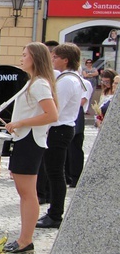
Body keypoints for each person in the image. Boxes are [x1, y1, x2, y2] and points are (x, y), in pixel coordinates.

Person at [4, 42, 58, 253]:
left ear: (35, 58)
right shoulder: (34, 82)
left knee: (28, 193)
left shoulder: (39, 84)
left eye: (25, 55)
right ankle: (24, 238)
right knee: (24, 192)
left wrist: (20, 123)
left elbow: (52, 115)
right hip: (24, 140)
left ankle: (26, 240)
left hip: (30, 141)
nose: (21, 58)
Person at [35, 43, 85, 230]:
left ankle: (55, 214)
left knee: (55, 173)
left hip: (59, 129)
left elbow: (56, 109)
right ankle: (54, 211)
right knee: (54, 172)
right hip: (61, 128)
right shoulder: (70, 78)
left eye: (55, 57)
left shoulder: (67, 81)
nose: (52, 59)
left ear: (65, 60)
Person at [65, 75, 92, 188]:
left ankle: (75, 176)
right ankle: (67, 175)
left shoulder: (84, 83)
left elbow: (81, 101)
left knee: (75, 147)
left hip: (77, 114)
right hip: (67, 114)